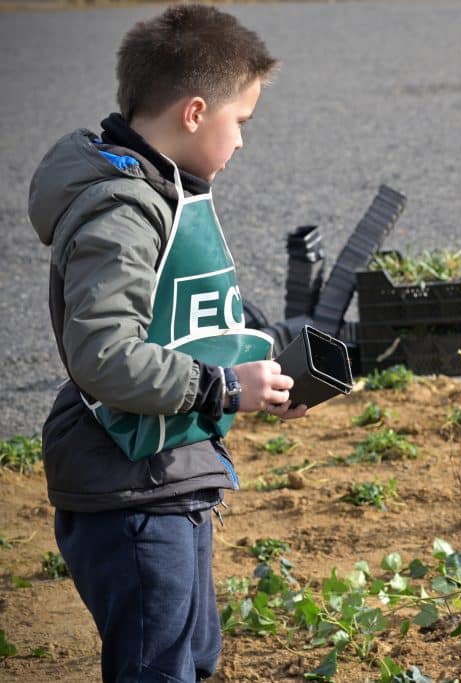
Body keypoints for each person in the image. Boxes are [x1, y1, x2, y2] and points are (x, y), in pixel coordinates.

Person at [28, 6, 305, 681]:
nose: (241, 142)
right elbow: (104, 353)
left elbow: (186, 304)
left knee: (192, 653)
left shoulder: (159, 186)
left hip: (168, 473)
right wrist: (223, 387)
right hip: (131, 487)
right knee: (159, 666)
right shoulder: (123, 212)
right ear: (194, 113)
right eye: (238, 123)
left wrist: (263, 353)